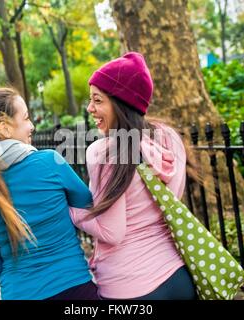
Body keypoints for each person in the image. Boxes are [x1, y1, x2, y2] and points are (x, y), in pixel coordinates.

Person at [70, 52, 197, 300]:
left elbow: (111, 232)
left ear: (121, 103)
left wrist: (71, 211)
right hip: (178, 277)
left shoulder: (104, 153)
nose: (89, 108)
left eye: (98, 100)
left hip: (130, 289)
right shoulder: (168, 138)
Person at [0, 88, 99, 300]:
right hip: (74, 289)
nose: (32, 126)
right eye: (26, 118)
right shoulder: (50, 162)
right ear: (5, 128)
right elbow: (88, 205)